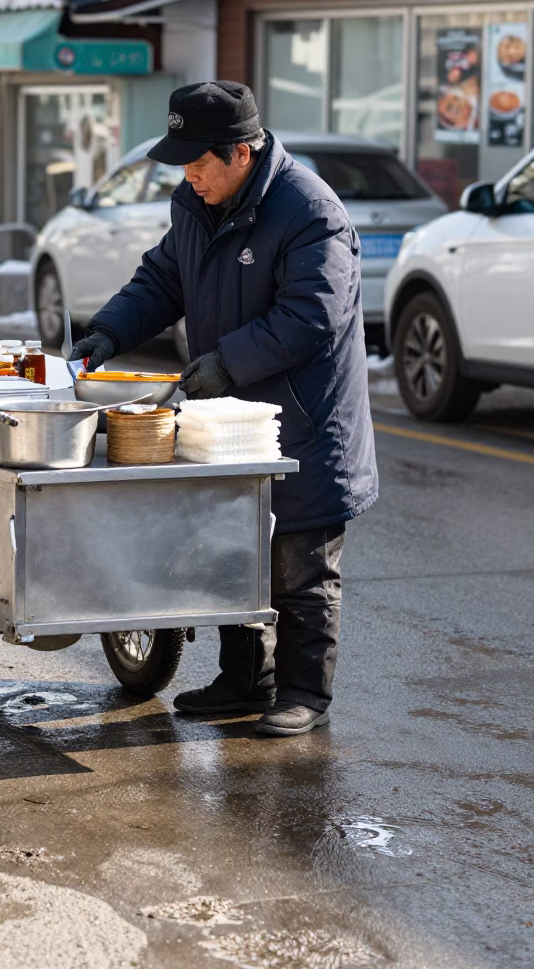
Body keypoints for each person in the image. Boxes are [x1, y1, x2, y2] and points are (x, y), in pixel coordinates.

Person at [71, 81, 378, 737]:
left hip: (305, 422)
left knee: (300, 564)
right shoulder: (196, 204)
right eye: (182, 163)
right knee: (234, 549)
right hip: (233, 421)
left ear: (241, 153)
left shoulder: (308, 210)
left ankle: (303, 692)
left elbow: (312, 315)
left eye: (198, 162)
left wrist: (226, 362)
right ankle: (245, 679)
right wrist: (110, 330)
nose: (188, 175)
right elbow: (163, 279)